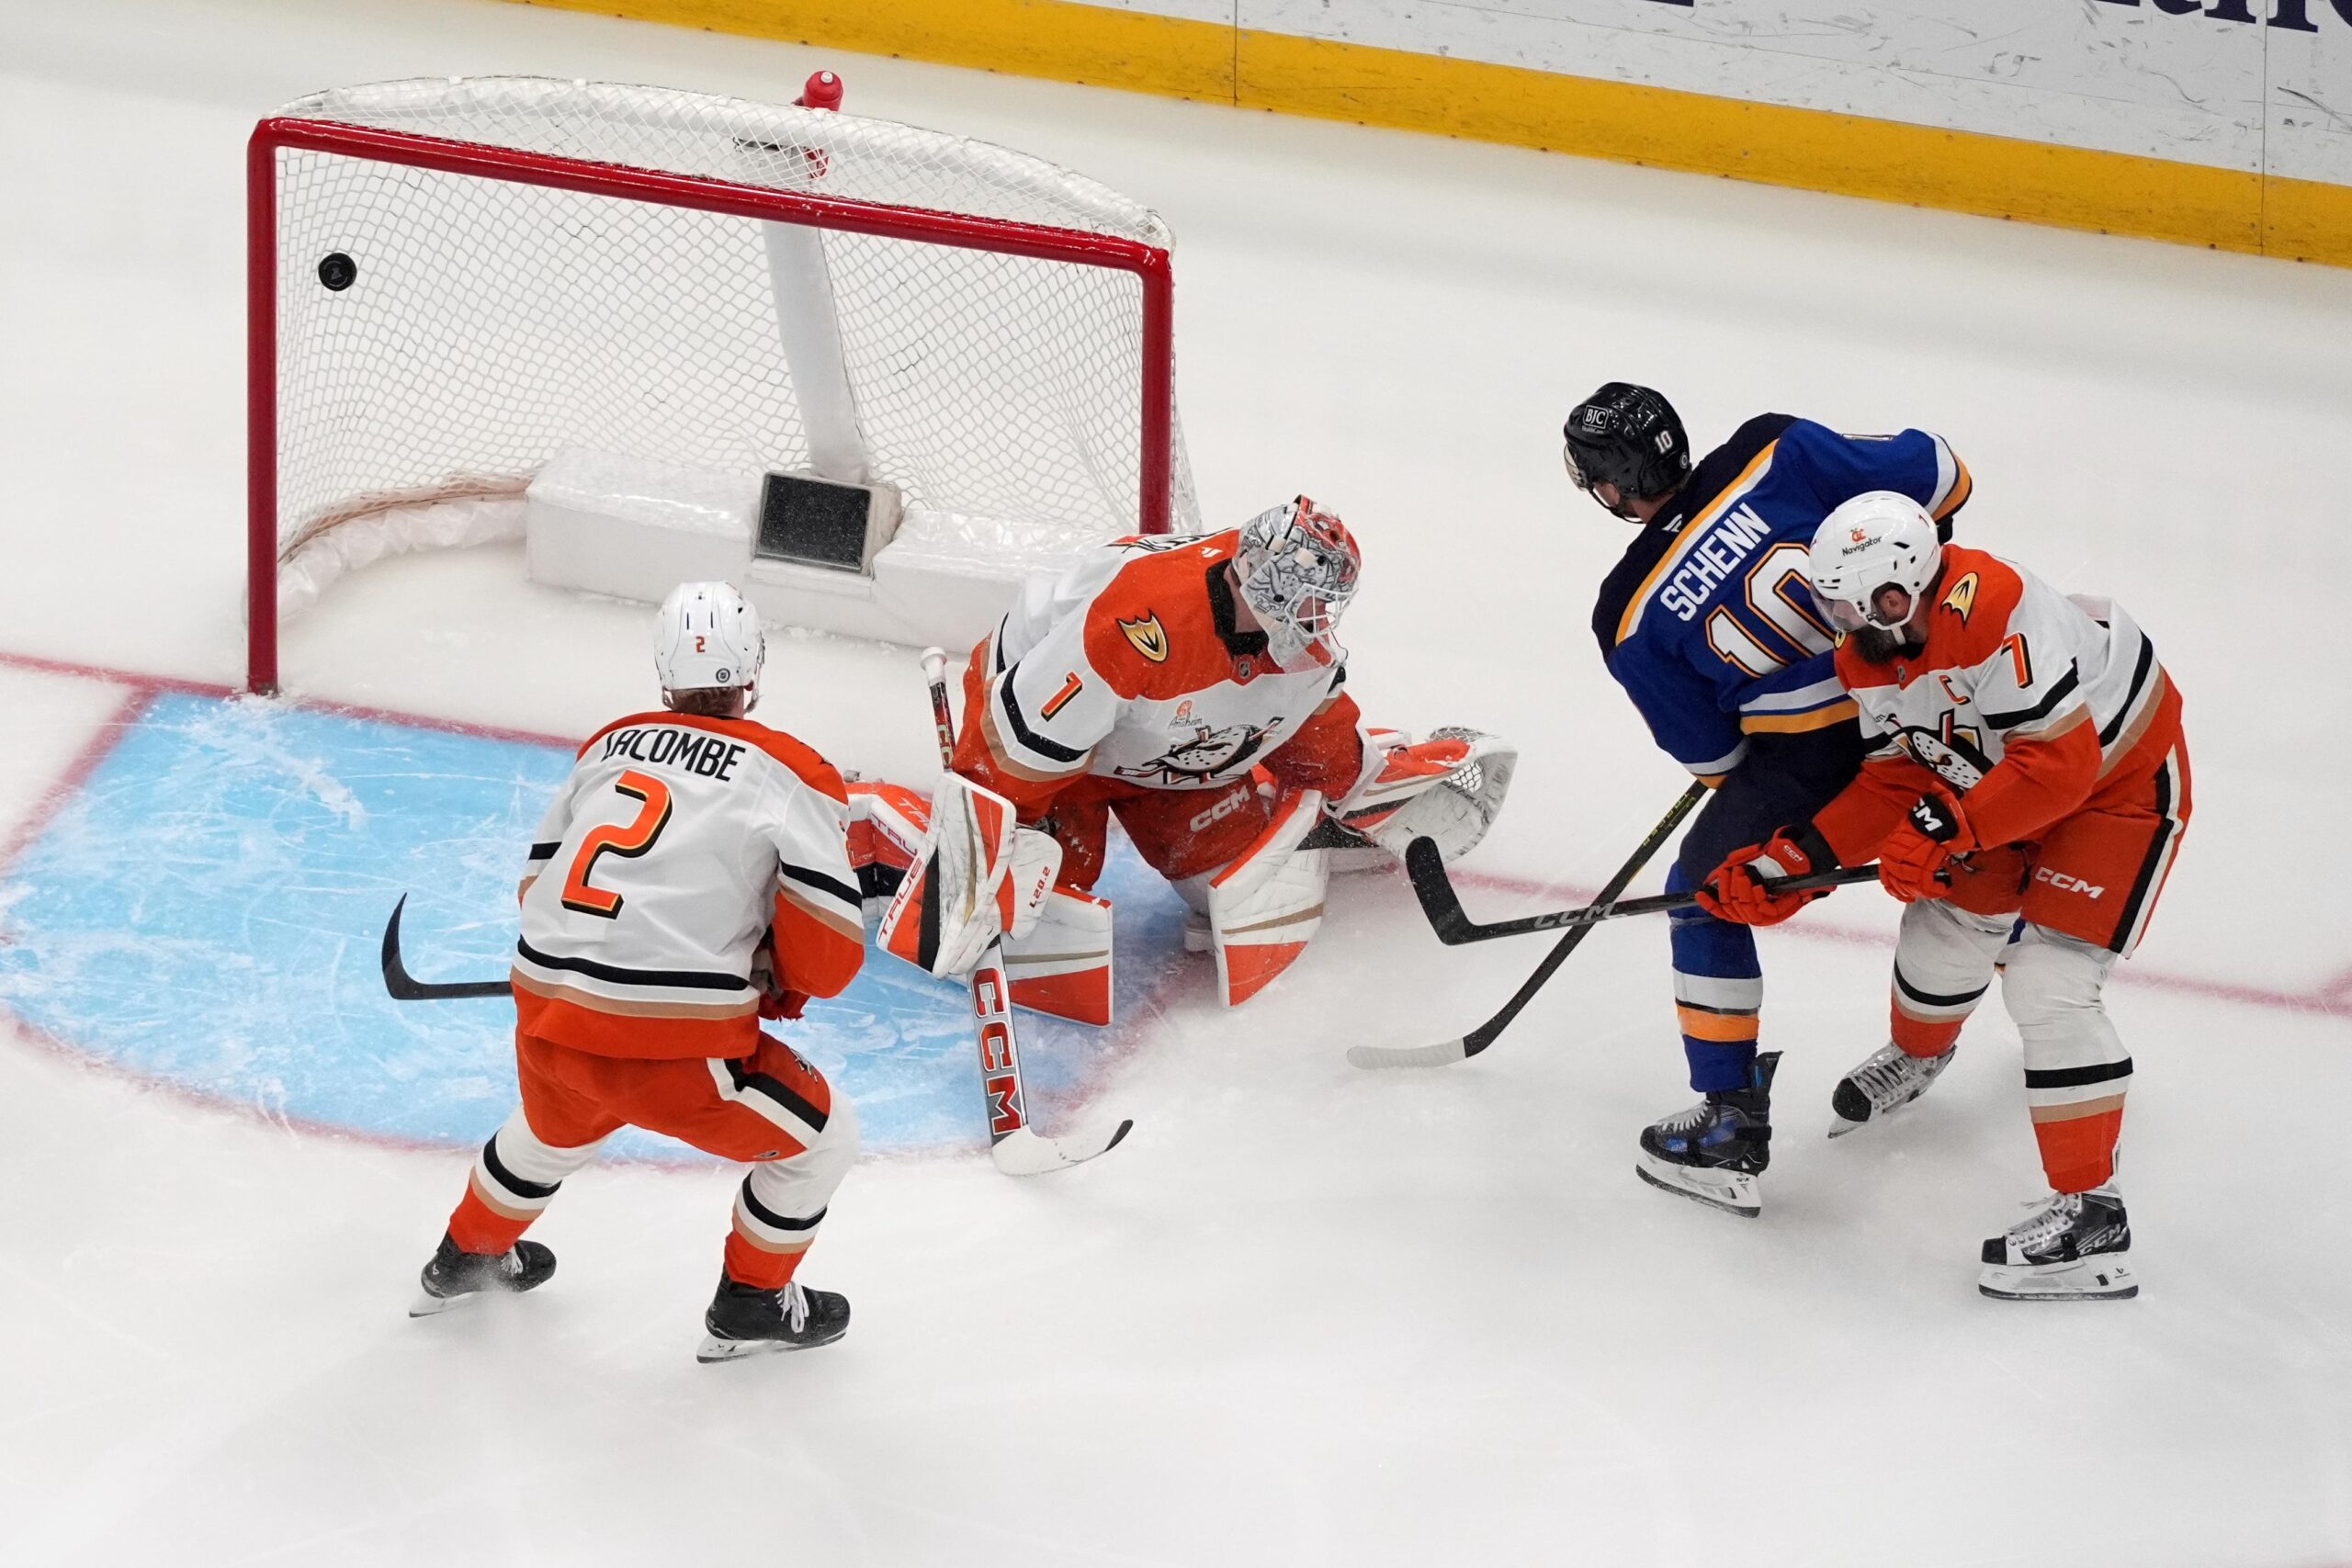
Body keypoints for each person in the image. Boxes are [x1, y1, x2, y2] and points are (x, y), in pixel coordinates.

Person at [1700, 492, 2188, 1300]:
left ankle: (2092, 1217)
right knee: (1941, 933)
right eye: (1837, 604)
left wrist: (1947, 825)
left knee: (2048, 982)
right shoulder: (1869, 657)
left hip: (2116, 785)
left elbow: (2060, 767)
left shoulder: (1995, 608)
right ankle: (1922, 1056)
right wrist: (1794, 861)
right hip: (1999, 778)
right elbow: (1903, 772)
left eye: (1858, 602)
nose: (1847, 621)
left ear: (1903, 588)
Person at [411, 581, 868, 1361]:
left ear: (662, 673)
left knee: (554, 1126)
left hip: (547, 1020)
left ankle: (465, 1256)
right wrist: (773, 972)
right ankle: (752, 1303)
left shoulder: (607, 745)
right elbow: (828, 954)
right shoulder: (792, 772)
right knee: (822, 1142)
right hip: (676, 1054)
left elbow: (536, 887)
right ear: (753, 673)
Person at [1564, 383, 1972, 1217]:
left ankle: (1730, 1123)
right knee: (1979, 854)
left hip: (1811, 763)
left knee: (1706, 894)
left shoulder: (1626, 612)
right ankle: (1933, 1040)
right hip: (1939, 695)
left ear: (1612, 486)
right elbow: (1945, 476)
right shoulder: (1772, 447)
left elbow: (1715, 757)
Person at [878, 497, 1516, 1020]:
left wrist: (1362, 780)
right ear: (1259, 583)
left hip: (1173, 753)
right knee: (1045, 903)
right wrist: (986, 841)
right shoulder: (1134, 626)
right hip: (1053, 749)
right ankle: (887, 829)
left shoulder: (1292, 639)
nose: (1318, 621)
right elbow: (1015, 744)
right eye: (1306, 603)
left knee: (1226, 892)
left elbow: (1311, 730)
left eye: (1327, 606)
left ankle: (1268, 801)